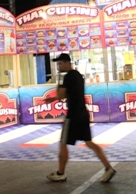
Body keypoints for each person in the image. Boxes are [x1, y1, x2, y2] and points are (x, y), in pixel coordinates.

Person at [44, 53, 116, 183]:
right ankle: (108, 168)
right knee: (89, 142)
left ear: (67, 63)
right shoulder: (77, 75)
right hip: (83, 113)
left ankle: (60, 173)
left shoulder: (68, 77)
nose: (58, 66)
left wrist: (58, 84)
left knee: (63, 143)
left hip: (73, 116)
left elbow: (61, 95)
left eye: (60, 63)